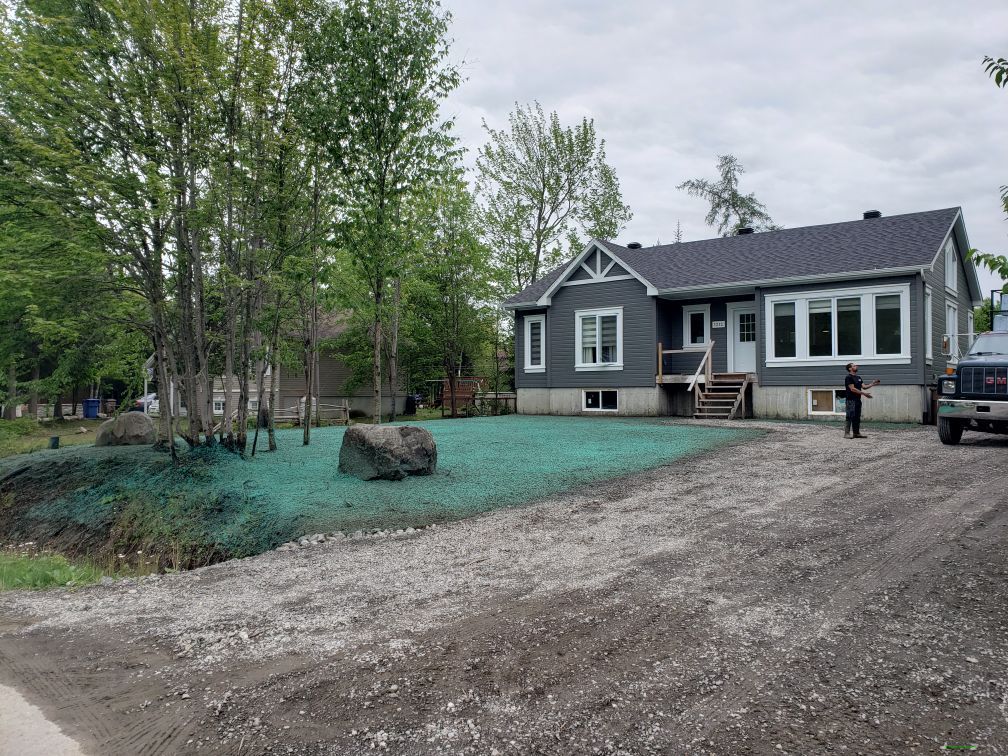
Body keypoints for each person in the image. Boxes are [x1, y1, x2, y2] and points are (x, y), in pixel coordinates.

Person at [843, 362, 879, 439]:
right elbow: (852, 389)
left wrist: (872, 384)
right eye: (854, 366)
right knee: (849, 417)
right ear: (850, 368)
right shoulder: (848, 377)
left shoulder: (858, 377)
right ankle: (846, 433)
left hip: (857, 400)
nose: (856, 366)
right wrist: (864, 394)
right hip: (850, 400)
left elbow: (864, 387)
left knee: (857, 417)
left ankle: (856, 433)